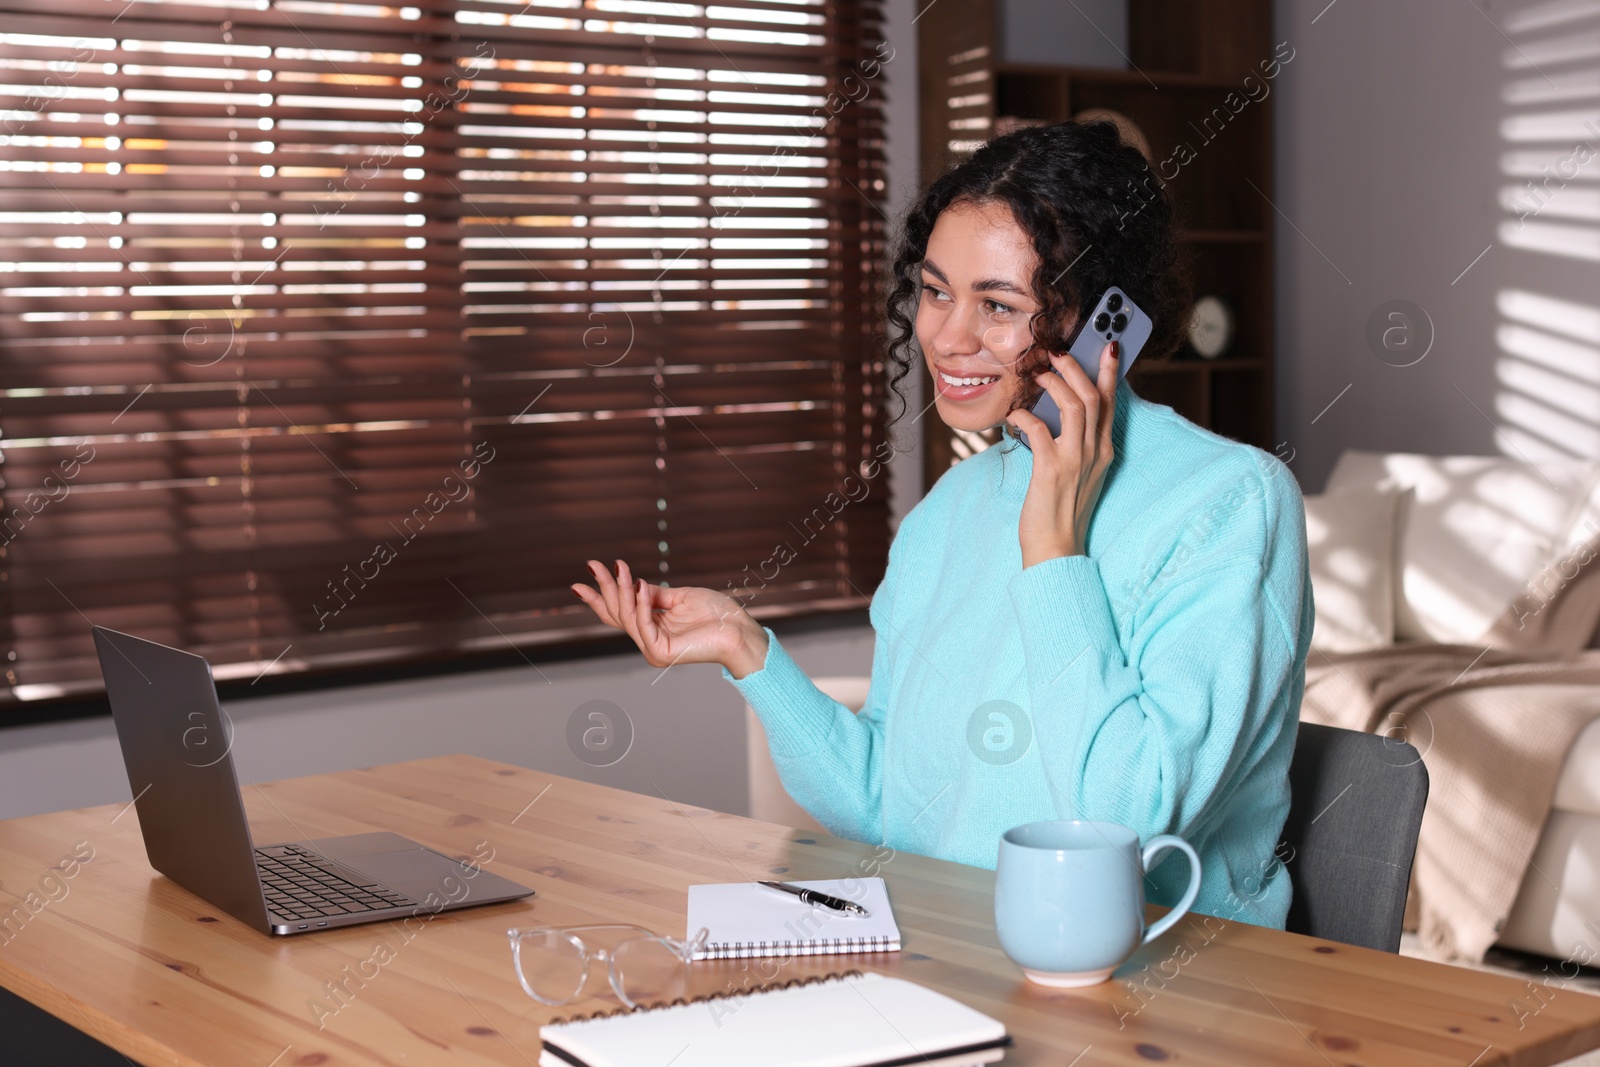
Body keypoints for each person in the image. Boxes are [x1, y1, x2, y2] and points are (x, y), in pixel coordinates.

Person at [574, 121, 1312, 928]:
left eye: (998, 304)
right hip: (957, 960)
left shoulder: (1231, 502)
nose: (947, 336)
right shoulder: (945, 515)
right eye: (934, 290)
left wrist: (1053, 549)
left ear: (1104, 323)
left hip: (1167, 1001)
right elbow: (889, 809)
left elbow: (1126, 821)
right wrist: (747, 652)